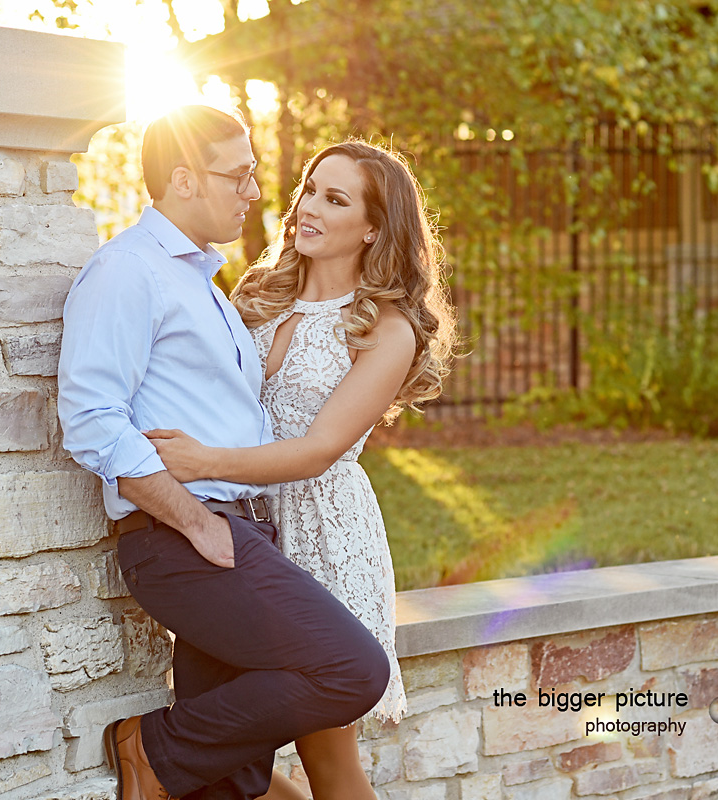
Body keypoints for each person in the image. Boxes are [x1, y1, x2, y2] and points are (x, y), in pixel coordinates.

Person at [57, 107, 390, 800]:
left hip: (244, 528)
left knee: (232, 783)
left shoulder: (205, 287)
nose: (256, 193)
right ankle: (149, 748)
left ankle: (167, 764)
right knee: (353, 670)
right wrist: (196, 520)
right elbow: (92, 419)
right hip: (187, 536)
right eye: (238, 176)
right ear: (185, 180)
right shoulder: (128, 271)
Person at [145, 140, 457, 800]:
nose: (308, 207)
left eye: (335, 199)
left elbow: (319, 449)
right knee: (233, 766)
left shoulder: (385, 328)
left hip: (324, 532)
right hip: (240, 526)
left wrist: (205, 461)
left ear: (373, 229)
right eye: (310, 189)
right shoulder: (255, 295)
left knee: (328, 759)